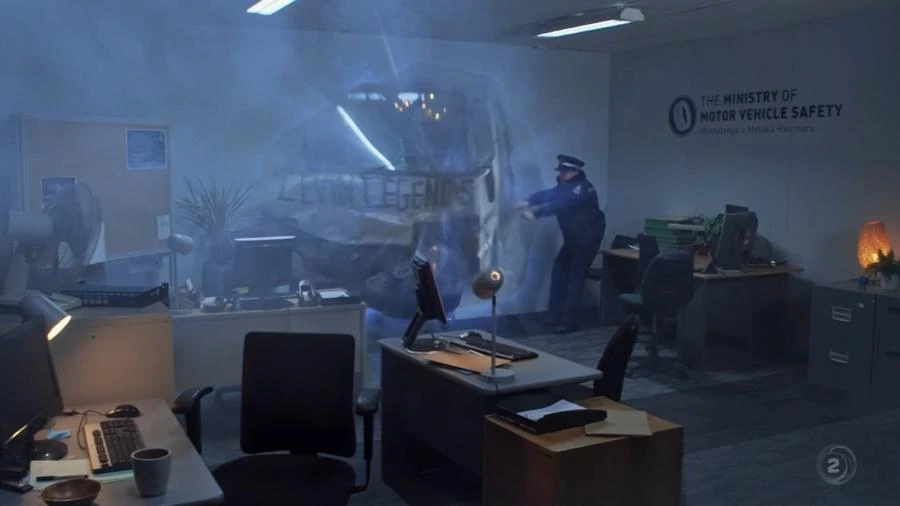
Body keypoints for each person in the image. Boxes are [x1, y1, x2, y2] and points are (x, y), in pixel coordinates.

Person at [516, 155, 606, 334]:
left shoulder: (582, 189)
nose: (562, 174)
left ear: (575, 172)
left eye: (565, 171)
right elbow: (549, 194)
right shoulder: (565, 187)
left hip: (586, 240)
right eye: (561, 171)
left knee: (575, 279)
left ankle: (568, 322)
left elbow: (560, 204)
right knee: (559, 273)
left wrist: (535, 214)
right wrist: (528, 201)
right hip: (573, 239)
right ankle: (555, 315)